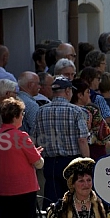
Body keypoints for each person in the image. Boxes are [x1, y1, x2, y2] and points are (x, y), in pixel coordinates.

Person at [33, 76, 90, 205]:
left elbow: (34, 139)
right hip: (72, 162)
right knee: (74, 202)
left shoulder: (41, 111)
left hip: (50, 162)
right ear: (68, 91)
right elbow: (82, 139)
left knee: (53, 204)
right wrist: (87, 163)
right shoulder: (76, 111)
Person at [17, 71, 40, 136]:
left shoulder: (14, 99)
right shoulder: (32, 105)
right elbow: (36, 129)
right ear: (30, 85)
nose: (39, 87)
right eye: (38, 84)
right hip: (26, 143)